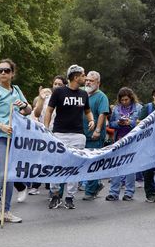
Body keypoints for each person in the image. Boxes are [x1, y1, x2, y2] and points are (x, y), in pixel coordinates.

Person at [0, 59, 31, 223]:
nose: (3, 73)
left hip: (13, 138)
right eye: (0, 70)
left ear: (12, 73)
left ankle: (6, 211)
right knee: (0, 174)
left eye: (7, 70)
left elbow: (28, 110)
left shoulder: (17, 90)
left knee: (10, 175)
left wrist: (24, 105)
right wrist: (1, 126)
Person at [44, 65, 94, 210]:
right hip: (59, 133)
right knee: (56, 165)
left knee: (75, 166)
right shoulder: (59, 92)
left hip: (78, 135)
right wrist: (46, 129)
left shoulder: (84, 94)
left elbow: (88, 110)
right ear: (75, 77)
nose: (85, 78)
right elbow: (49, 111)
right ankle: (55, 195)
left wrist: (91, 120)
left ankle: (70, 197)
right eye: (83, 75)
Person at [106, 87, 142, 201]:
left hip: (133, 140)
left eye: (126, 99)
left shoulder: (139, 108)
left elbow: (142, 124)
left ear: (131, 98)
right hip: (119, 140)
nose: (124, 102)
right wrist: (118, 123)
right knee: (116, 166)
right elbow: (111, 124)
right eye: (122, 100)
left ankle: (129, 192)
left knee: (130, 167)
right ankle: (113, 192)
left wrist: (130, 122)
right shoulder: (116, 109)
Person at [82, 71, 110, 200]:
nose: (88, 82)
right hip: (81, 135)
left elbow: (102, 114)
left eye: (91, 81)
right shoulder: (82, 93)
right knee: (83, 163)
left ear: (98, 83)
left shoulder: (101, 97)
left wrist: (97, 130)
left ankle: (90, 191)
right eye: (87, 80)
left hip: (94, 136)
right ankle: (96, 185)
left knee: (92, 163)